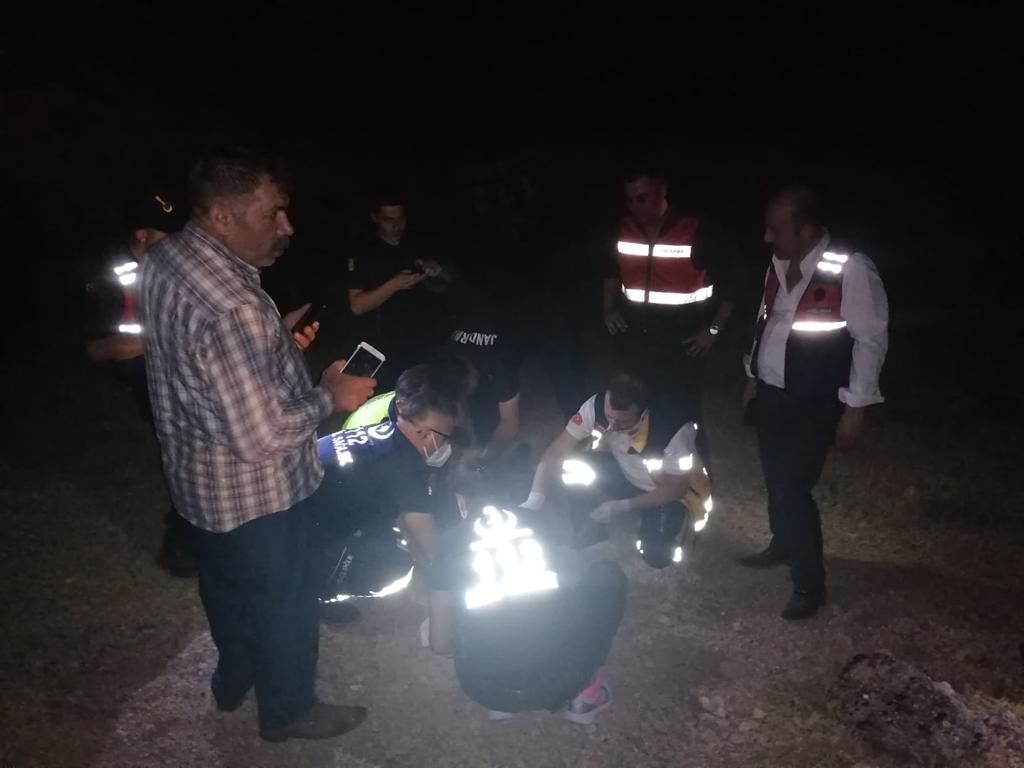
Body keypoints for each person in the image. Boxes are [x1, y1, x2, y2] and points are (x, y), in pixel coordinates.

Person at [138, 146, 376, 742]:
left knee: (223, 585)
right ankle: (289, 710)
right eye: (272, 213)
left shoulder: (166, 257)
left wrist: (274, 340)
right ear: (222, 215)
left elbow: (198, 363)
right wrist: (329, 396)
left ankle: (234, 676)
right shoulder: (236, 306)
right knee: (287, 600)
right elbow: (262, 436)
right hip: (257, 495)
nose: (287, 226)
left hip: (197, 483)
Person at [739, 185, 889, 620]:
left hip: (814, 400)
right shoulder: (778, 263)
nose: (767, 237)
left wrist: (856, 408)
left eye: (776, 229)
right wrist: (752, 375)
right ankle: (783, 544)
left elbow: (870, 341)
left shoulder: (850, 268)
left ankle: (809, 583)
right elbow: (765, 320)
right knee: (774, 477)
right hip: (772, 391)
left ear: (806, 230)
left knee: (793, 487)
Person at [425, 505, 626, 725]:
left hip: (486, 689)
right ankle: (586, 695)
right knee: (606, 577)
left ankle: (500, 701)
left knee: (456, 607)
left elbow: (439, 644)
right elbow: (574, 592)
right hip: (564, 680)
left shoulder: (448, 545)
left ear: (461, 500)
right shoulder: (542, 522)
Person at [81, 189, 195, 575]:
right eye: (165, 236)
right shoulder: (107, 272)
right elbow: (97, 348)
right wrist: (163, 339)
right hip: (142, 372)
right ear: (142, 235)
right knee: (187, 452)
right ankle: (181, 545)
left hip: (179, 368)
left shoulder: (177, 267)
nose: (177, 246)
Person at [602, 165, 738, 456]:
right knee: (639, 412)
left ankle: (695, 479)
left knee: (684, 417)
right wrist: (609, 308)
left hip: (684, 344)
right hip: (636, 339)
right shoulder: (622, 229)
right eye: (630, 199)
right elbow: (611, 271)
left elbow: (733, 285)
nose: (636, 206)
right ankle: (644, 474)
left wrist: (714, 330)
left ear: (662, 190)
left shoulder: (695, 230)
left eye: (642, 197)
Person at [522, 373, 712, 567]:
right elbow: (555, 452)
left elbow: (676, 489)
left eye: (622, 423)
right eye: (609, 417)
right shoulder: (595, 407)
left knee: (657, 555)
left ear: (642, 415)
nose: (611, 427)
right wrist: (535, 497)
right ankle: (590, 527)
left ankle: (665, 520)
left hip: (662, 490)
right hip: (624, 472)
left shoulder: (673, 432)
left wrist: (624, 506)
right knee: (567, 467)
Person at [320, 364, 461, 565]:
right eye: (445, 438)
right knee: (394, 564)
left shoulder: (383, 431)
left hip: (294, 500)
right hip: (303, 532)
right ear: (425, 433)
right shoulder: (407, 468)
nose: (446, 445)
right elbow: (431, 553)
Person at [347, 193, 452, 387]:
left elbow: (452, 279)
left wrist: (437, 270)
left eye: (400, 219)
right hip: (381, 349)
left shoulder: (418, 242)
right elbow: (357, 306)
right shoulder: (364, 252)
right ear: (375, 218)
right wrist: (394, 284)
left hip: (424, 342)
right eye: (388, 220)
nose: (396, 225)